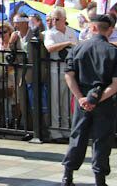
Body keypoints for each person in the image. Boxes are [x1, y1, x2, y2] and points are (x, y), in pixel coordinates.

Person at [61, 15, 117, 186]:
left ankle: (67, 177)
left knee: (77, 137)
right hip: (104, 101)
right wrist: (96, 100)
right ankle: (100, 180)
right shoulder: (115, 52)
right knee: (102, 140)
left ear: (94, 28)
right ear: (107, 29)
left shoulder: (77, 49)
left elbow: (69, 75)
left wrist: (81, 98)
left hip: (82, 100)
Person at [44, 7, 77, 140]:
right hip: (55, 69)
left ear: (64, 19)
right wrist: (67, 43)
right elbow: (49, 47)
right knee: (56, 101)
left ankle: (66, 128)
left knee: (67, 101)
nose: (54, 21)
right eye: (52, 19)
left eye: (57, 19)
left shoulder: (71, 31)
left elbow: (77, 46)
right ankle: (55, 130)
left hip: (68, 69)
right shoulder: (50, 33)